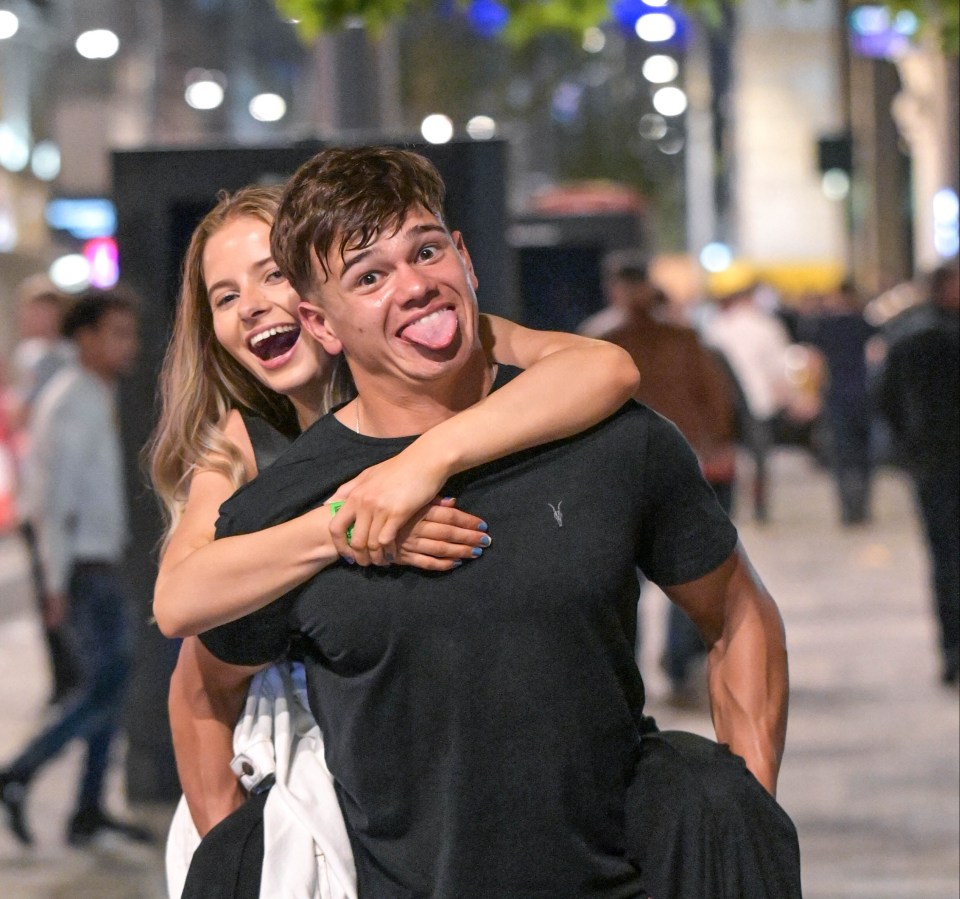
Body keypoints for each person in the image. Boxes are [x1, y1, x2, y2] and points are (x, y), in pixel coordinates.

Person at [191, 146, 800, 898]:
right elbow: (202, 690)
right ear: (320, 322)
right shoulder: (283, 505)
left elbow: (737, 611)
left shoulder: (612, 440)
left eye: (426, 249)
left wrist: (744, 818)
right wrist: (234, 859)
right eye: (370, 276)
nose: (414, 285)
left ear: (466, 259)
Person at [146, 185, 642, 894]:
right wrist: (352, 523)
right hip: (332, 807)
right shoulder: (243, 444)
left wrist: (421, 464)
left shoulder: (449, 347)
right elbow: (180, 605)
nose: (252, 305)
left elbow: (607, 367)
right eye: (224, 298)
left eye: (272, 274)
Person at [0, 290, 153, 848]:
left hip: (99, 564)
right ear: (84, 337)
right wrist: (56, 582)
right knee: (101, 689)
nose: (128, 345)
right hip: (84, 571)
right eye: (116, 333)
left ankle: (86, 811)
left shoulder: (95, 393)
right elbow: (51, 500)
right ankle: (19, 772)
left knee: (109, 688)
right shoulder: (68, 400)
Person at [579, 251, 738, 705]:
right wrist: (717, 442)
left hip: (624, 472)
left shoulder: (598, 339)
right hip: (684, 465)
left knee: (624, 577)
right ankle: (677, 661)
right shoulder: (681, 337)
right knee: (688, 569)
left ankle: (632, 664)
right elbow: (716, 398)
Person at [875, 261, 960, 686]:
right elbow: (887, 397)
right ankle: (952, 649)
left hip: (931, 460)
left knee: (946, 558)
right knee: (946, 559)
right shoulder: (917, 338)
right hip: (936, 462)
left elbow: (885, 398)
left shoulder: (910, 335)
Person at [8, 275, 80, 707]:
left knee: (62, 591)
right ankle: (63, 681)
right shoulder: (30, 357)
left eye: (42, 309)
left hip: (59, 497)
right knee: (44, 591)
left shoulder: (64, 360)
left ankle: (73, 682)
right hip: (32, 491)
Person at [703, 282, 794, 522]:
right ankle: (760, 508)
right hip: (759, 402)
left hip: (725, 403)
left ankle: (727, 506)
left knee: (728, 455)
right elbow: (779, 366)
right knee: (760, 459)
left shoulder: (718, 327)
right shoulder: (767, 326)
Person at [798, 280, 878, 525]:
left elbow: (815, 363)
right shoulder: (866, 325)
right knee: (864, 454)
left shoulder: (823, 327)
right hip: (864, 396)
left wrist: (810, 394)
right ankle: (862, 506)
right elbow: (877, 357)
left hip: (835, 396)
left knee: (842, 455)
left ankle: (847, 508)